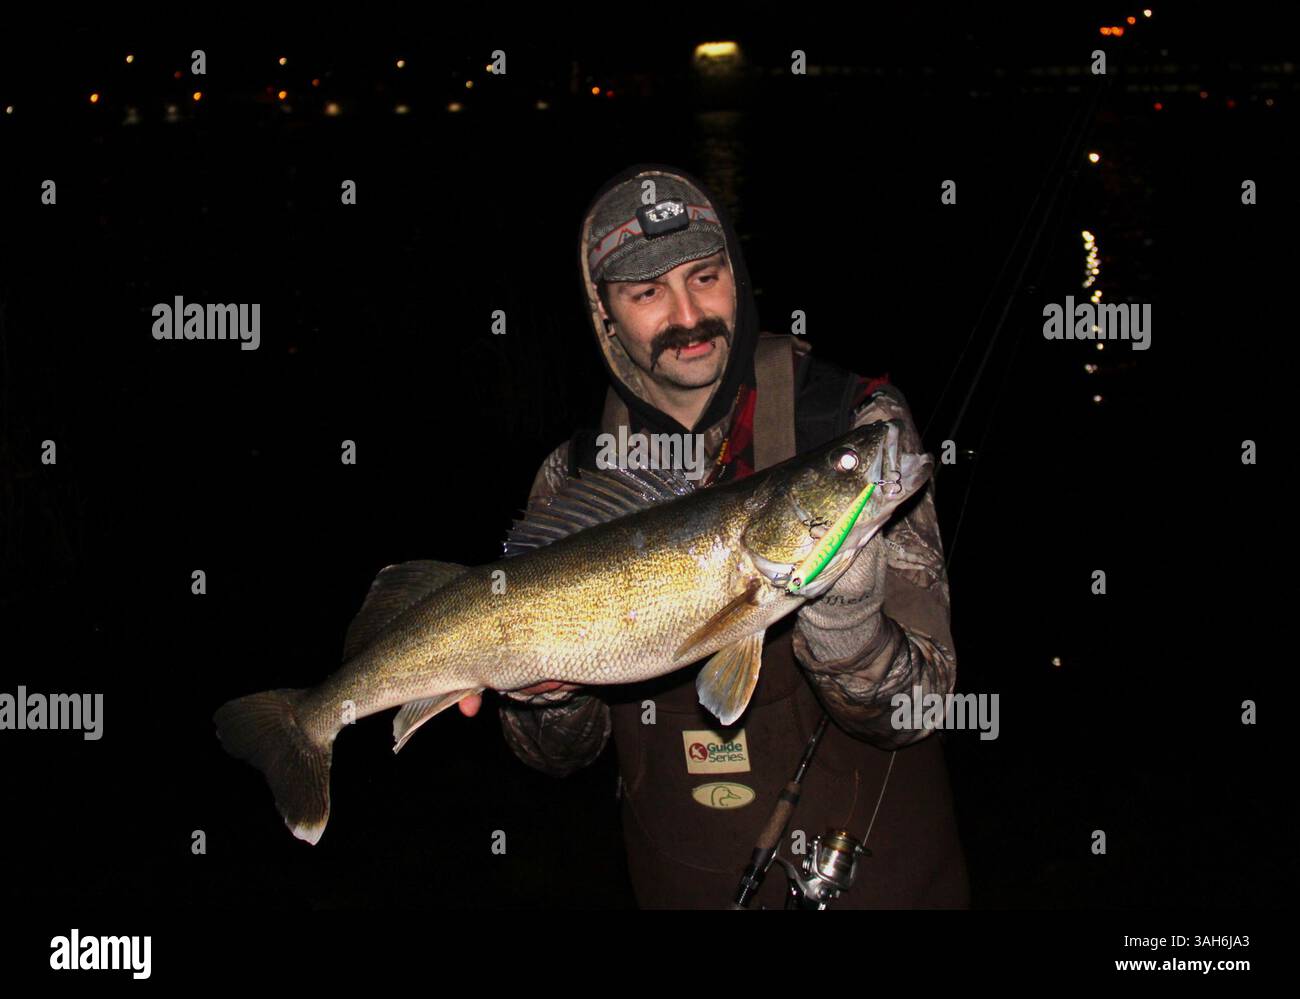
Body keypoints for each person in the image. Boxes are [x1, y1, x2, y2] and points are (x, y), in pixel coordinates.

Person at [459, 164, 970, 909]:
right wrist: (548, 700)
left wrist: (849, 625)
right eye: (646, 293)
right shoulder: (571, 482)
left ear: (738, 271)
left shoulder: (853, 430)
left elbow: (922, 710)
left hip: (874, 874)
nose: (688, 314)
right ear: (604, 318)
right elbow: (555, 759)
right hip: (682, 881)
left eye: (705, 276)